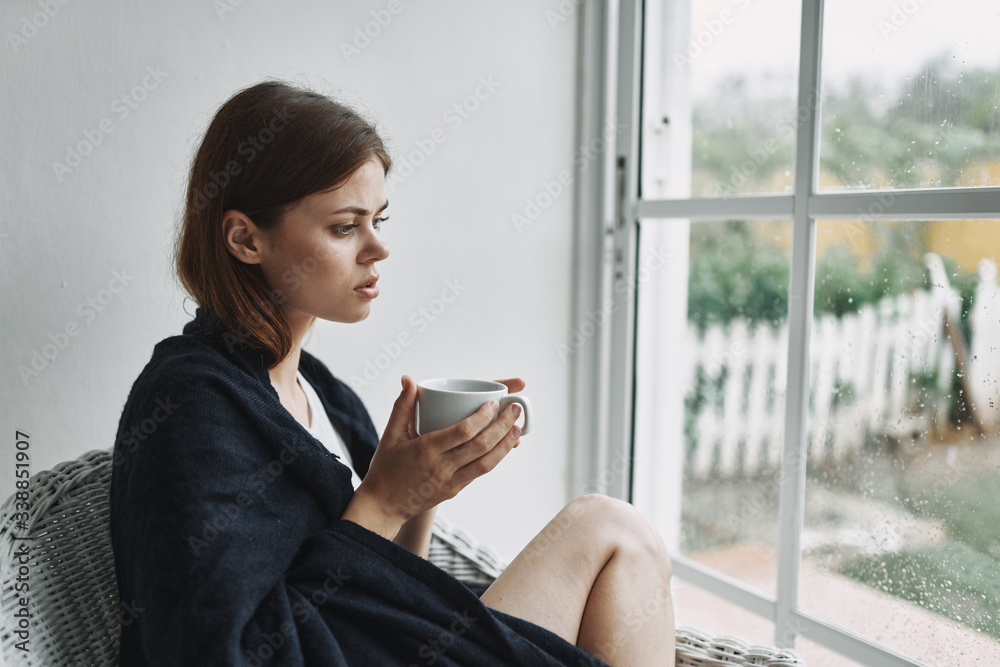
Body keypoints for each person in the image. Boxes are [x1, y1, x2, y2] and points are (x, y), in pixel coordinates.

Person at [109, 79, 675, 666]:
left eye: (379, 219)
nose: (378, 248)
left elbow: (383, 584)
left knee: (612, 533)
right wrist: (382, 498)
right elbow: (223, 650)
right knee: (609, 527)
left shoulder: (316, 388)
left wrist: (426, 490)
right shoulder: (190, 406)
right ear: (246, 239)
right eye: (344, 227)